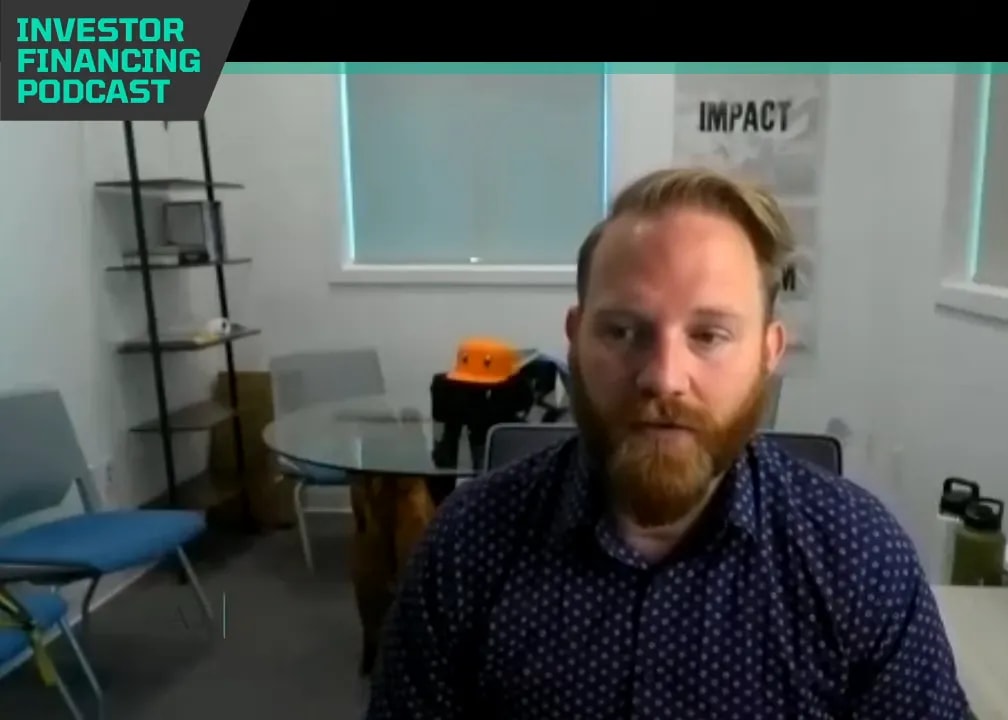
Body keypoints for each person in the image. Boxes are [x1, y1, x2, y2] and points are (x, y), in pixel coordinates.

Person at [365, 167, 970, 719]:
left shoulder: (858, 560)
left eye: (709, 335)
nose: (662, 376)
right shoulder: (466, 547)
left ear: (769, 351)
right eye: (623, 331)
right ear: (575, 340)